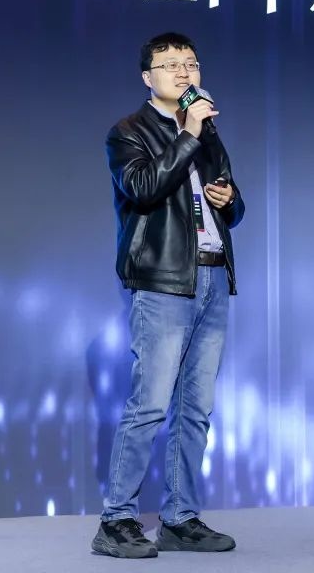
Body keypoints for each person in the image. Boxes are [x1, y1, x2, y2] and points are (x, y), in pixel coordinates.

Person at [92, 32, 245, 558]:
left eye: (191, 63)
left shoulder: (208, 130)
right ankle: (116, 520)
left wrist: (229, 199)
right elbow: (142, 188)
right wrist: (188, 134)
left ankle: (180, 518)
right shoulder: (128, 132)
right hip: (162, 281)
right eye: (171, 64)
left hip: (211, 277)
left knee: (196, 409)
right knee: (150, 405)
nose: (184, 72)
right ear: (147, 77)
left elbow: (232, 207)